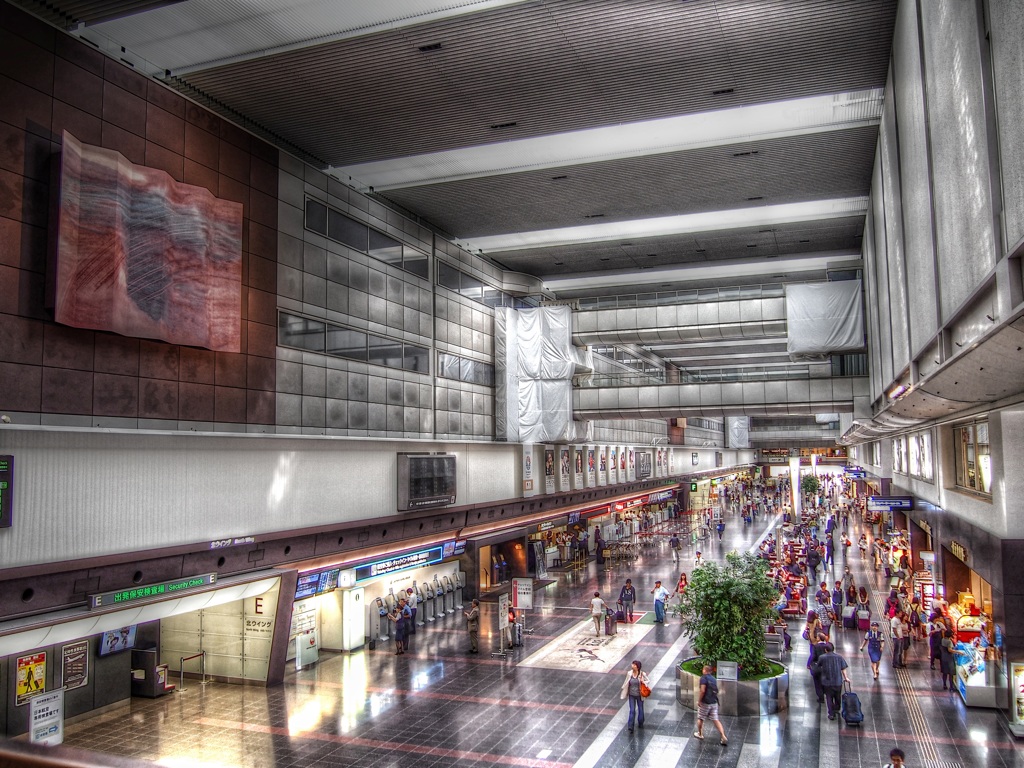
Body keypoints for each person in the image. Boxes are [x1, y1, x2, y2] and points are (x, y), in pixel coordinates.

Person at [813, 642, 851, 720]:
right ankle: (837, 708)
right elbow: (843, 668)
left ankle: (831, 713)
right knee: (837, 696)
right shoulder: (839, 657)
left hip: (827, 681)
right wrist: (846, 677)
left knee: (829, 697)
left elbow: (818, 666)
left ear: (826, 650)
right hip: (837, 681)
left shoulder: (822, 657)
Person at [694, 664, 728, 746]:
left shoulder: (703, 678)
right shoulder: (713, 679)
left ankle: (700, 734)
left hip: (706, 702)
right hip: (714, 702)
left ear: (704, 670)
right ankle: (723, 736)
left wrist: (699, 701)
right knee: (716, 719)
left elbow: (702, 690)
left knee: (700, 718)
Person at [619, 659, 650, 733]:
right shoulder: (629, 673)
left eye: (634, 665)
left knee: (640, 709)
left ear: (637, 667)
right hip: (631, 695)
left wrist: (643, 681)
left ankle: (640, 722)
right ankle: (630, 726)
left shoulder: (642, 674)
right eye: (632, 664)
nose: (632, 665)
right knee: (632, 710)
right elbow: (626, 681)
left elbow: (648, 680)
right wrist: (624, 688)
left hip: (640, 695)